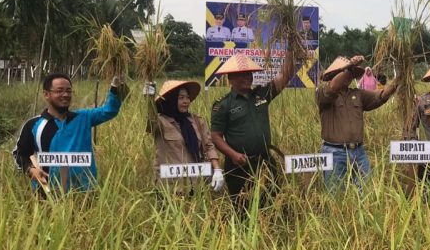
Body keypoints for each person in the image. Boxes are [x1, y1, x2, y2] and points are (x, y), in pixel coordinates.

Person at [210, 50, 296, 214]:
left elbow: (285, 76)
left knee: (271, 204)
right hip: (239, 165)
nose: (247, 77)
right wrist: (233, 155)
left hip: (264, 161)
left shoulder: (261, 94)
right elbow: (215, 136)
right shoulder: (223, 105)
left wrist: (292, 47)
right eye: (241, 75)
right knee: (243, 209)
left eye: (249, 74)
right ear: (230, 79)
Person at [13, 74, 128, 194]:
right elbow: (19, 154)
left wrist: (115, 88)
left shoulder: (84, 118)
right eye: (59, 91)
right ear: (46, 94)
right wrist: (31, 170)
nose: (65, 95)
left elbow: (109, 110)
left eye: (69, 91)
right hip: (47, 194)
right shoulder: (34, 125)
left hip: (85, 193)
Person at [317, 56, 397, 189]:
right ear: (333, 75)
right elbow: (334, 87)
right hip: (334, 152)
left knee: (367, 191)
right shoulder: (323, 93)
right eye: (346, 73)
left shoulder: (358, 94)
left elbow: (381, 95)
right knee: (335, 196)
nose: (349, 77)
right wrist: (349, 68)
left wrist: (398, 82)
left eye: (351, 74)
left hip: (359, 152)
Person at [144, 80, 224, 193]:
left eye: (187, 97)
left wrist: (217, 170)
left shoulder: (197, 121)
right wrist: (149, 99)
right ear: (170, 99)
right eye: (180, 98)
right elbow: (151, 121)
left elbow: (209, 146)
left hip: (195, 184)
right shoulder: (161, 122)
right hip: (170, 187)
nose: (186, 101)